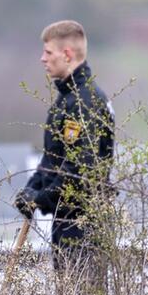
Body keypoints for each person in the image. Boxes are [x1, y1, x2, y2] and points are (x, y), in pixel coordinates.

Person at [15, 20, 115, 278]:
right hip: (65, 220)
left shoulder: (85, 103)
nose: (42, 59)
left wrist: (41, 199)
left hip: (83, 224)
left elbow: (78, 172)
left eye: (48, 53)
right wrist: (33, 187)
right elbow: (54, 158)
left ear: (67, 54)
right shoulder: (67, 99)